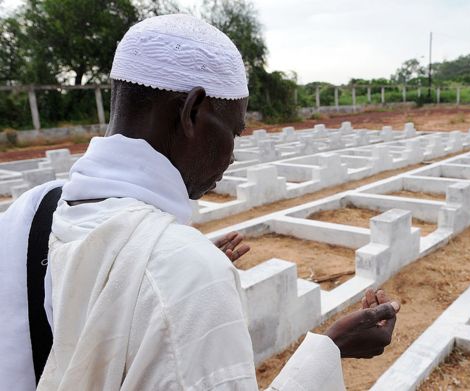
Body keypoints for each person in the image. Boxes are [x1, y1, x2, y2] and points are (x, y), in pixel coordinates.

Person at [0, 14, 400, 390]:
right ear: (192, 112)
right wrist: (332, 346)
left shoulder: (28, 210)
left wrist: (160, 270)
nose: (232, 154)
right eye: (234, 131)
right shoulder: (188, 271)